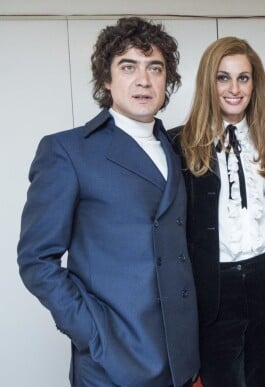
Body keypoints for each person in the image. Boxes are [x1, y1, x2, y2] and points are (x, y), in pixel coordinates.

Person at [17, 17, 199, 387]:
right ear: (106, 79)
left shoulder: (177, 148)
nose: (143, 80)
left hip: (179, 358)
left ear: (168, 80)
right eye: (128, 66)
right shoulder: (68, 151)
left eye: (155, 68)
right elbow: (36, 259)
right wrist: (92, 333)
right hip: (112, 361)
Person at [169, 36, 265, 387]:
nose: (234, 88)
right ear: (209, 82)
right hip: (213, 288)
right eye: (223, 77)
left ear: (255, 84)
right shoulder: (180, 145)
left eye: (244, 77)